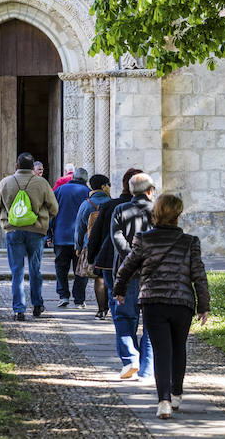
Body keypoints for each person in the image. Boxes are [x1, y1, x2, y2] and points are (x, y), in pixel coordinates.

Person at [113, 193, 210, 420]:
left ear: (156, 213)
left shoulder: (144, 239)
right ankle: (176, 393)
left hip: (154, 301)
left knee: (161, 351)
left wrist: (119, 290)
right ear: (178, 215)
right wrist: (203, 305)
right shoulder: (190, 242)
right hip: (182, 302)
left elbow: (127, 267)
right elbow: (199, 275)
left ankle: (163, 400)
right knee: (179, 348)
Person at [0, 152, 58, 321]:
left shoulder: (5, 182)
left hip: (13, 231)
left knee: (17, 271)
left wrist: (6, 219)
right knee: (35, 269)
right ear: (32, 165)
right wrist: (42, 218)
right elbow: (54, 208)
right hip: (36, 231)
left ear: (17, 165)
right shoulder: (41, 183)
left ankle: (19, 309)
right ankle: (37, 304)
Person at [110, 172, 155, 380]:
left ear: (129, 190)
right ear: (150, 191)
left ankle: (130, 359)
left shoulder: (120, 209)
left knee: (124, 317)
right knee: (151, 322)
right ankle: (147, 369)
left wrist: (131, 258)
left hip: (126, 273)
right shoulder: (157, 211)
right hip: (152, 273)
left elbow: (117, 237)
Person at [87, 167, 142, 313]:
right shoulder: (148, 208)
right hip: (139, 259)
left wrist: (91, 258)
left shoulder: (110, 205)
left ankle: (116, 319)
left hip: (110, 257)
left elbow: (95, 234)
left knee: (115, 296)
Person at [51, 167, 90, 307]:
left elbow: (51, 212)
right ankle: (79, 299)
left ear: (73, 176)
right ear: (86, 179)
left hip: (61, 236)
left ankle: (63, 295)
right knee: (80, 269)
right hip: (81, 238)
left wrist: (49, 234)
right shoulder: (88, 192)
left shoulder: (59, 190)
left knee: (61, 267)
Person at [74, 173, 111, 318]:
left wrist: (78, 247)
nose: (109, 187)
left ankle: (101, 309)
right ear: (103, 186)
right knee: (108, 275)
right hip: (108, 244)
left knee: (98, 277)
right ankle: (109, 307)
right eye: (108, 184)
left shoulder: (86, 204)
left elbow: (79, 228)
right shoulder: (111, 202)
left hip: (90, 244)